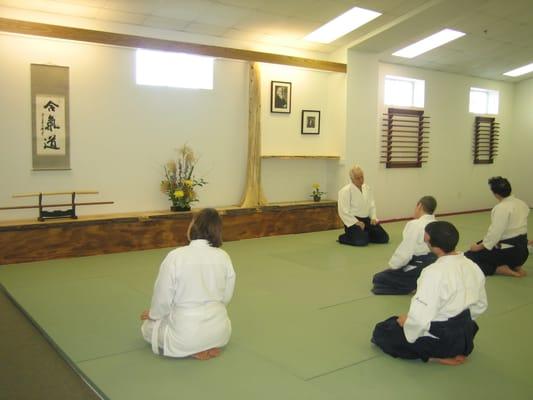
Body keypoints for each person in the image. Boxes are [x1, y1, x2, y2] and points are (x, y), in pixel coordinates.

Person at [371, 221, 488, 365]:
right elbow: (481, 305)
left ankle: (436, 357)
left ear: (429, 240)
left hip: (442, 342)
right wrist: (457, 322)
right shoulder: (472, 266)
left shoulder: (433, 273)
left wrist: (408, 322)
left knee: (383, 330)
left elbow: (419, 320)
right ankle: (453, 349)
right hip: (465, 338)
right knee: (408, 322)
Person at [140, 208, 236, 360]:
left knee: (147, 328)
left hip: (185, 336)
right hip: (220, 333)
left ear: (195, 226)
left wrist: (153, 315)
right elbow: (226, 297)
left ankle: (194, 347)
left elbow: (163, 297)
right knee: (204, 316)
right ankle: (206, 343)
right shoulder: (223, 256)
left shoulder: (176, 256)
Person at [465, 176, 529, 277]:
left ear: (496, 194)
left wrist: (479, 247)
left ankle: (498, 269)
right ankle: (516, 266)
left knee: (468, 259)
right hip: (523, 252)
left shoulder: (501, 208)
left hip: (509, 253)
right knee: (481, 245)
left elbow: (495, 234)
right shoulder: (522, 204)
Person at [372, 196, 437, 295]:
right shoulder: (437, 223)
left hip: (420, 265)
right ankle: (424, 282)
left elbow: (406, 252)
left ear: (419, 206)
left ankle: (414, 286)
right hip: (435, 265)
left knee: (378, 278)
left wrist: (393, 266)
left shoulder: (415, 225)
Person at [337, 165, 389, 246]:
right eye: (358, 178)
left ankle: (364, 234)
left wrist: (373, 217)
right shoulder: (345, 191)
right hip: (353, 222)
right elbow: (343, 211)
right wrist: (356, 222)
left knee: (384, 238)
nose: (361, 180)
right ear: (352, 179)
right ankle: (344, 237)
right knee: (361, 241)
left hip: (366, 219)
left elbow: (372, 205)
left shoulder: (367, 188)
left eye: (362, 177)